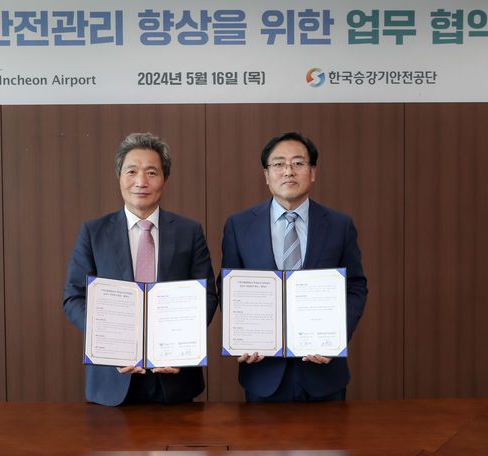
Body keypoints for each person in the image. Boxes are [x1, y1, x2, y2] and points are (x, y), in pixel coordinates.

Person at [63, 132, 218, 406]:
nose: (141, 182)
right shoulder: (94, 232)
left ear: (165, 179)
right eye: (132, 171)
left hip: (174, 377)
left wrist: (180, 343)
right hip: (112, 376)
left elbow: (206, 295)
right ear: (119, 177)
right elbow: (74, 297)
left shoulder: (189, 231)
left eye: (151, 172)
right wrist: (110, 341)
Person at [220, 132, 368, 402]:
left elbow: (355, 286)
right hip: (263, 372)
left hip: (324, 372)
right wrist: (240, 338)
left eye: (298, 163)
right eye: (279, 164)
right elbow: (229, 288)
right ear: (266, 175)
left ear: (312, 172)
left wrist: (336, 338)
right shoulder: (238, 226)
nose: (288, 171)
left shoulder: (339, 225)